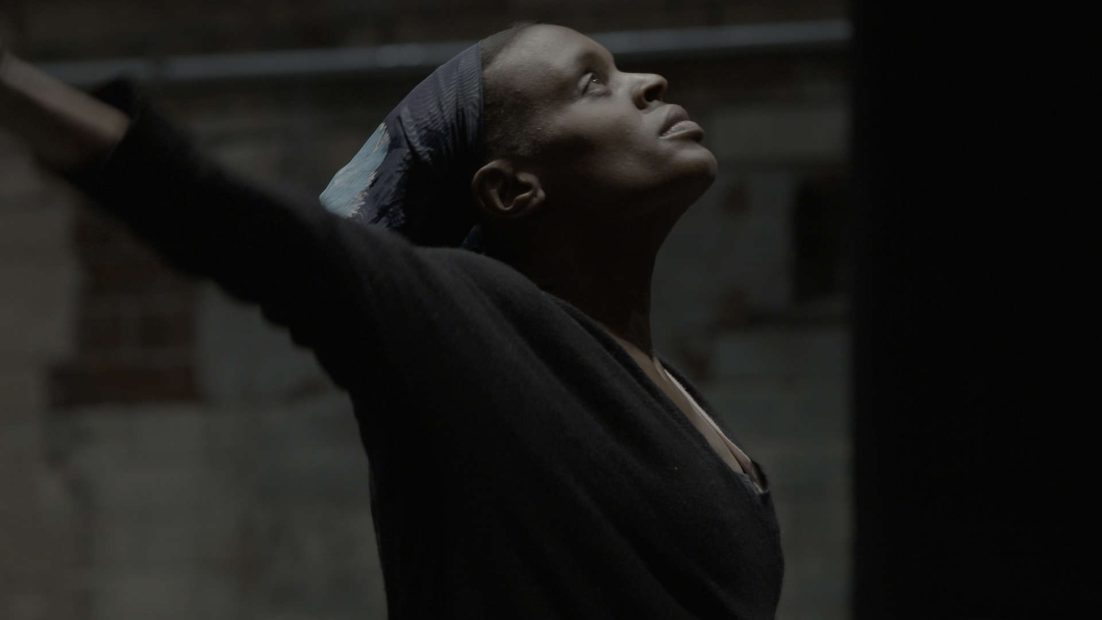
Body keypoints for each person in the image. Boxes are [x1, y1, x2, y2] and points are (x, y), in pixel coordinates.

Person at [1, 22, 783, 619]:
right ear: (511, 191)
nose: (648, 81)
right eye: (592, 85)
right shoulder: (476, 327)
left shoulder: (668, 393)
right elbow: (249, 230)